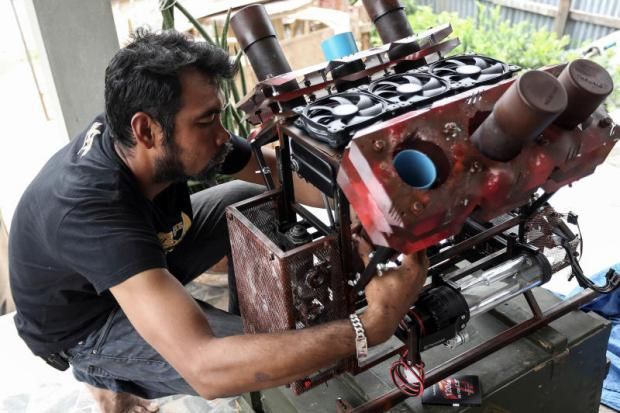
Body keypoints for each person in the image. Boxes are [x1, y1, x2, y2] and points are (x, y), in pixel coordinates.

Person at [8, 29, 428, 413]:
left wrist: (370, 204)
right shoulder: (93, 210)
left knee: (249, 199)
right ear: (146, 131)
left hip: (139, 254)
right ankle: (103, 373)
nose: (223, 134)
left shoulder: (141, 135)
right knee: (237, 361)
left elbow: (272, 170)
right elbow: (206, 369)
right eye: (207, 120)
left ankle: (209, 323)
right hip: (87, 322)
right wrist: (371, 325)